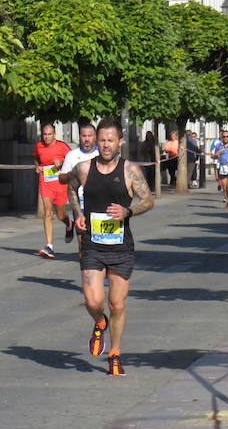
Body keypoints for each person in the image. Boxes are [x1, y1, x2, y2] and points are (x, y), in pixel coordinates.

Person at [66, 118, 155, 377]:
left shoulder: (130, 171)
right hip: (92, 245)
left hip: (120, 248)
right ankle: (99, 322)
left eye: (110, 140)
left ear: (120, 142)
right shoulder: (84, 168)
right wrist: (77, 213)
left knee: (117, 304)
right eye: (101, 140)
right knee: (92, 300)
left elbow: (148, 200)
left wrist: (127, 210)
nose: (105, 145)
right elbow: (71, 188)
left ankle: (114, 354)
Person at [58, 120, 98, 258]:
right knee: (82, 244)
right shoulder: (72, 156)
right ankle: (86, 274)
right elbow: (61, 179)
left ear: (95, 137)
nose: (86, 139)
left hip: (101, 203)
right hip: (79, 205)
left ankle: (101, 275)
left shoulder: (102, 155)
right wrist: (74, 173)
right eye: (83, 136)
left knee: (101, 244)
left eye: (90, 136)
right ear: (80, 137)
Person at [34, 124, 74, 258]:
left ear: (54, 135)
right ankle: (49, 246)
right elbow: (36, 157)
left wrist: (61, 165)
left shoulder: (62, 146)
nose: (46, 137)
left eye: (49, 134)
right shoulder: (39, 146)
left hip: (60, 183)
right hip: (46, 182)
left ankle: (69, 224)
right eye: (45, 134)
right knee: (48, 212)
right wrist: (38, 166)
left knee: (60, 215)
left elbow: (72, 161)